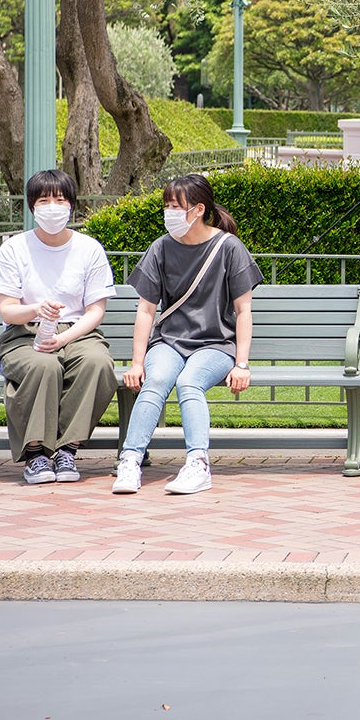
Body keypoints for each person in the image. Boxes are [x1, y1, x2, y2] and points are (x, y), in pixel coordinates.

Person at [113, 173, 263, 495]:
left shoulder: (229, 248)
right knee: (155, 381)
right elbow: (146, 311)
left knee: (188, 381)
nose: (168, 212)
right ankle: (130, 461)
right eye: (166, 205)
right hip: (169, 342)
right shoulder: (161, 248)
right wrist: (137, 363)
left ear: (197, 210)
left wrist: (242, 364)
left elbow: (244, 311)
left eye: (175, 206)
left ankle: (198, 464)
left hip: (216, 345)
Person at [0, 169, 117, 485]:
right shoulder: (14, 248)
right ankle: (36, 454)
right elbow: (7, 309)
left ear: (71, 205)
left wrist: (63, 338)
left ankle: (67, 450)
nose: (52, 206)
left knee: (97, 363)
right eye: (44, 200)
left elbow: (95, 311)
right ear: (32, 206)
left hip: (78, 332)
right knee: (42, 366)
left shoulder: (89, 249)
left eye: (60, 199)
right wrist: (36, 309)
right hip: (25, 332)